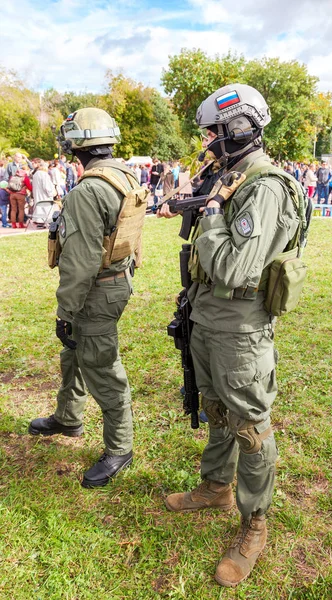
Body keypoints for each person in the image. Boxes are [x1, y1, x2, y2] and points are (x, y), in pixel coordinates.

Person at [159, 84, 302, 587]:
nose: (207, 142)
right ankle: (216, 486)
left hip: (240, 325)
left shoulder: (262, 187)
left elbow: (236, 268)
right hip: (208, 316)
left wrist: (215, 211)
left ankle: (254, 525)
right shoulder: (230, 177)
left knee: (250, 424)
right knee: (215, 407)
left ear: (237, 129)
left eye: (212, 133)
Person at [29, 108, 146, 488]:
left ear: (75, 144)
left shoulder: (90, 189)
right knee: (74, 354)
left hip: (96, 289)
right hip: (115, 279)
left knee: (101, 365)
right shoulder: (123, 174)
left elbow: (79, 262)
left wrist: (65, 310)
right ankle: (68, 417)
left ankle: (120, 447)